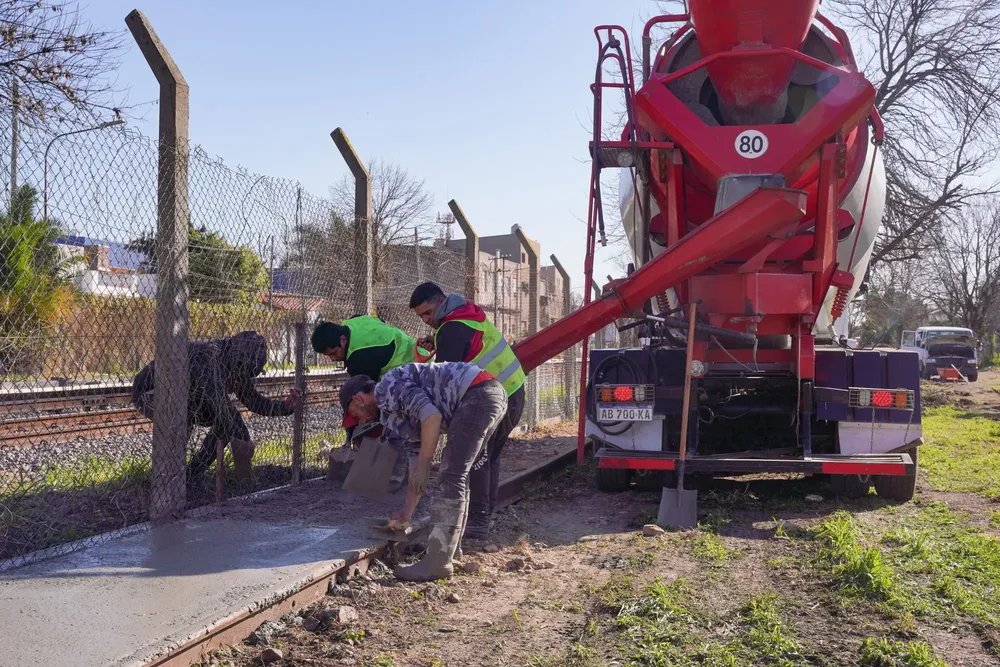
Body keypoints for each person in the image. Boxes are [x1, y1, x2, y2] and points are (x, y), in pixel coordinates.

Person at [339, 361, 507, 581]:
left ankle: (437, 562)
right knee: (458, 475)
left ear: (358, 399)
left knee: (452, 475)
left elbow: (432, 417)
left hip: (477, 394)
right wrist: (406, 513)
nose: (361, 421)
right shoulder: (391, 415)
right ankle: (448, 551)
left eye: (356, 416)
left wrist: (425, 465)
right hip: (485, 394)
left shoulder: (388, 388)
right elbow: (415, 462)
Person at [408, 281, 525, 541]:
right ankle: (482, 518)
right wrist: (439, 341)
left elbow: (443, 381)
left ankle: (477, 525)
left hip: (496, 397)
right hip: (513, 390)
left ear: (440, 301)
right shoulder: (464, 313)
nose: (426, 320)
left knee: (478, 459)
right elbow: (468, 349)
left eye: (428, 313)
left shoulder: (451, 329)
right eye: (422, 316)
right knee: (488, 458)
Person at [131, 330, 301, 484]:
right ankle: (166, 482)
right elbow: (220, 405)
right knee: (186, 422)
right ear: (236, 358)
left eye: (250, 373)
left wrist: (285, 406)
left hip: (189, 398)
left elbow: (252, 400)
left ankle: (190, 475)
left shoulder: (238, 363)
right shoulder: (208, 356)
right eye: (244, 369)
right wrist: (245, 440)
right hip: (150, 392)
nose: (244, 375)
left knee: (225, 425)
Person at [311, 316, 432, 485]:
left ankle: (395, 478)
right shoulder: (350, 324)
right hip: (416, 359)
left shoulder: (360, 357)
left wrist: (354, 429)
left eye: (333, 353)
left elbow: (367, 402)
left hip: (417, 371)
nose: (333, 359)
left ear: (343, 340)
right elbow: (378, 321)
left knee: (394, 421)